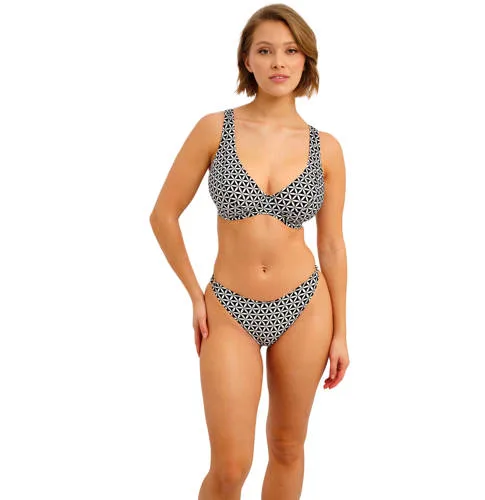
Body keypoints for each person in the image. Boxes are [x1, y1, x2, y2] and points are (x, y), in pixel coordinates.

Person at [149, 3, 349, 498]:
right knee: (230, 466)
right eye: (265, 50)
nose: (279, 61)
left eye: (291, 51)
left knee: (287, 447)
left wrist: (342, 331)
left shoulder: (327, 147)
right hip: (228, 306)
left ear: (306, 61)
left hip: (306, 305)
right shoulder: (214, 128)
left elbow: (331, 243)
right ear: (247, 60)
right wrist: (195, 295)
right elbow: (163, 215)